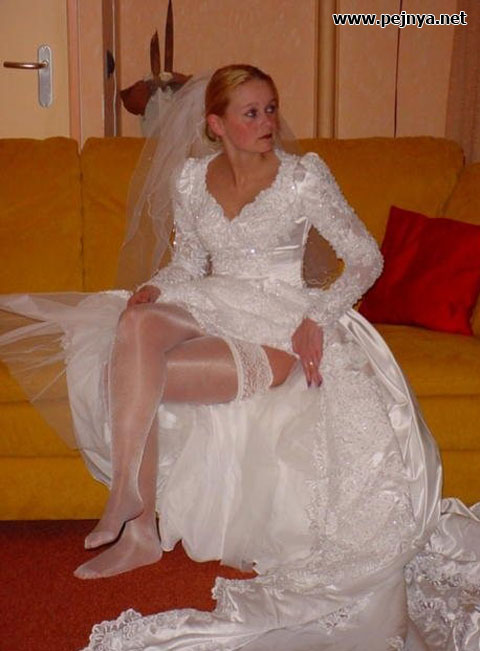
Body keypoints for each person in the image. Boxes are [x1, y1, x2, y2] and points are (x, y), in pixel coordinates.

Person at [1, 65, 480, 650]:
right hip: (211, 302)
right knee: (134, 322)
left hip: (277, 320)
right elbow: (188, 264)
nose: (267, 122)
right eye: (251, 113)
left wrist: (318, 317)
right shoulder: (190, 179)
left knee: (131, 370)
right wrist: (156, 287)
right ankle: (133, 508)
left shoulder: (301, 178)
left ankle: (135, 516)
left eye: (270, 108)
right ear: (216, 125)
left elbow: (364, 258)